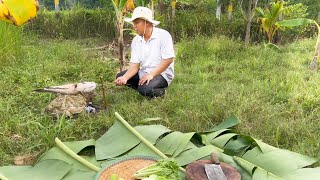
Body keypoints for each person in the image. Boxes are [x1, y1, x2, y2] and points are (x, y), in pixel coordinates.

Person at [114, 6, 175, 98]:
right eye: (133, 23)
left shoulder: (163, 35)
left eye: (137, 22)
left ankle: (160, 91)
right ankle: (144, 86)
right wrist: (125, 78)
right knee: (121, 76)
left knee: (144, 90)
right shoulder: (136, 40)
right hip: (144, 71)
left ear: (147, 23)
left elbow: (168, 60)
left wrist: (151, 75)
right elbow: (135, 66)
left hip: (161, 73)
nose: (134, 25)